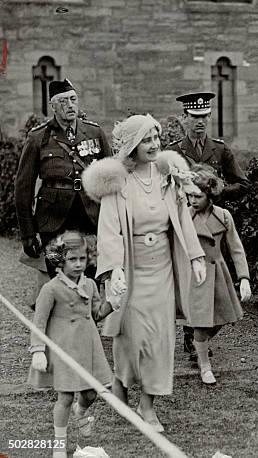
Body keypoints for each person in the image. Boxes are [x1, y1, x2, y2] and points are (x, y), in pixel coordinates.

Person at [82, 114, 206, 432]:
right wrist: (115, 270)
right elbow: (108, 230)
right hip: (133, 275)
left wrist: (195, 257)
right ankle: (121, 389)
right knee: (130, 339)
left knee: (159, 341)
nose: (154, 145)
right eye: (146, 140)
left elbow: (182, 220)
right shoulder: (118, 183)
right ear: (132, 146)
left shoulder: (167, 176)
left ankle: (148, 407)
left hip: (163, 272)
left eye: (156, 138)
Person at [167, 91, 251, 361]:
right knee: (188, 279)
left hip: (210, 225)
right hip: (182, 223)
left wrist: (216, 191)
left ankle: (197, 335)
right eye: (194, 117)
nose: (200, 122)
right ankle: (191, 336)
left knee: (210, 282)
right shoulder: (173, 152)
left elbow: (243, 184)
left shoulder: (220, 149)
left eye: (204, 116)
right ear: (184, 118)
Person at [28, 231, 115, 458]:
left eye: (82, 259)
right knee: (65, 397)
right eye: (72, 259)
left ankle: (81, 411)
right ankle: (59, 444)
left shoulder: (90, 285)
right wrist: (38, 351)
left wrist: (112, 303)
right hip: (63, 349)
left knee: (91, 393)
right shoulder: (51, 289)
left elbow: (96, 313)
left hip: (88, 347)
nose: (78, 265)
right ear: (60, 260)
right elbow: (39, 322)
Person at [15, 79, 112, 277]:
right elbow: (23, 186)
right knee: (59, 278)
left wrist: (113, 222)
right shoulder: (38, 138)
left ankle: (86, 308)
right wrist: (27, 233)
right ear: (53, 106)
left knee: (90, 276)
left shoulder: (94, 132)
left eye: (73, 99)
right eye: (63, 101)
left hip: (90, 216)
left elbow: (111, 176)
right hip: (53, 219)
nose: (70, 105)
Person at [184, 165, 251, 385]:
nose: (193, 200)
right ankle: (205, 367)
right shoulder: (183, 217)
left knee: (223, 318)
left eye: (198, 196)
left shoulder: (223, 216)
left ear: (210, 195)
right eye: (190, 195)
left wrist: (244, 278)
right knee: (201, 324)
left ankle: (197, 342)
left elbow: (236, 248)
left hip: (218, 273)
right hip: (195, 275)